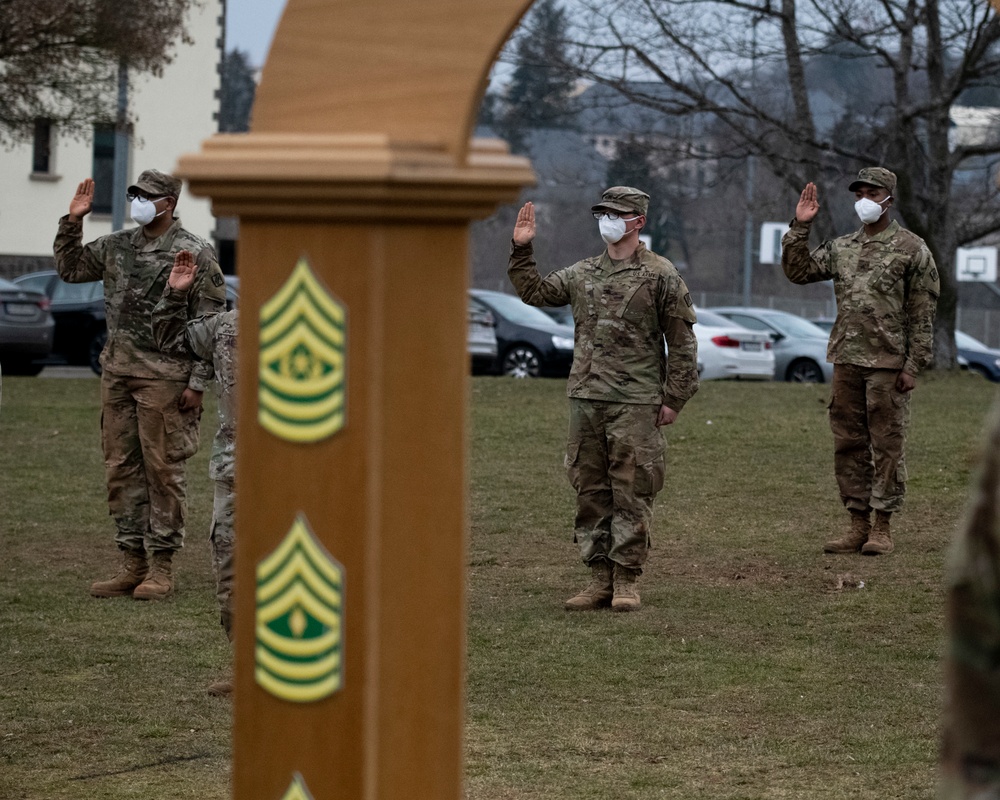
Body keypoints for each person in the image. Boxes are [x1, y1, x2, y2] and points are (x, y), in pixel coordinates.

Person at [507, 186, 699, 612]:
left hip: (635, 400)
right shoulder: (583, 273)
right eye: (602, 213)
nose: (607, 220)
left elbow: (682, 343)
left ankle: (627, 579)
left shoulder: (660, 275)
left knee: (631, 489)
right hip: (586, 397)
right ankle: (598, 578)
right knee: (590, 489)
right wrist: (522, 250)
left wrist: (674, 398)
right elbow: (536, 293)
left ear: (638, 221)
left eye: (616, 213)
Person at [54, 169, 227, 599]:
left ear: (169, 201)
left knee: (163, 471)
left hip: (167, 379)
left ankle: (162, 569)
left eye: (147, 196)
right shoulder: (117, 246)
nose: (138, 202)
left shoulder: (195, 253)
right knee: (121, 469)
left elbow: (211, 323)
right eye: (134, 194)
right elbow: (70, 269)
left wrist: (199, 381)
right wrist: (73, 221)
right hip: (117, 373)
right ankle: (131, 563)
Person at [782, 167, 940, 555]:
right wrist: (801, 227)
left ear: (889, 198)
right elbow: (798, 271)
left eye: (872, 193)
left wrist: (913, 365)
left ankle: (882, 527)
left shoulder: (911, 248)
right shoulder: (843, 246)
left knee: (887, 445)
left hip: (888, 363)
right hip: (847, 360)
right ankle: (857, 523)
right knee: (849, 444)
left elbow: (922, 313)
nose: (864, 201)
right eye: (859, 194)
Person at [152, 254, 237, 695]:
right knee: (231, 570)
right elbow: (168, 340)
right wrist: (175, 293)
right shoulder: (226, 327)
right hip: (236, 470)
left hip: (308, 472)